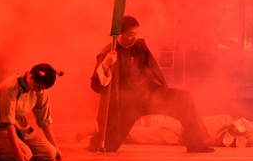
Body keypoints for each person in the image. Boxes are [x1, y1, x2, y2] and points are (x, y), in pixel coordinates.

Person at [89, 15, 213, 153]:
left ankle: (195, 143)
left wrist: (162, 93)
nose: (134, 38)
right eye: (130, 35)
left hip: (148, 96)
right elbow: (96, 86)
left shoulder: (139, 46)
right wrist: (105, 64)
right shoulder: (107, 54)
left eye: (136, 34)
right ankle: (94, 137)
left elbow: (152, 70)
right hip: (127, 105)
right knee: (109, 146)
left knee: (184, 99)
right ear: (119, 34)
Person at [0, 63, 64, 161]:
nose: (39, 91)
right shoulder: (9, 87)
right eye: (38, 87)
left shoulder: (40, 90)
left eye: (42, 89)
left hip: (20, 128)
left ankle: (19, 152)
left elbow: (44, 120)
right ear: (31, 76)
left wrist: (56, 147)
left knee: (50, 153)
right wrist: (17, 152)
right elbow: (8, 121)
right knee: (25, 154)